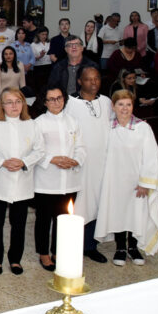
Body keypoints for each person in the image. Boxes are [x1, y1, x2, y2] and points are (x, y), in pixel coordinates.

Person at [95, 90, 158, 265]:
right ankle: (120, 248)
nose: (124, 108)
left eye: (128, 104)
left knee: (135, 214)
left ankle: (133, 247)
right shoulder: (107, 128)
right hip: (114, 181)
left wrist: (144, 182)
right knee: (118, 213)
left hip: (136, 182)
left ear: (133, 106)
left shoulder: (142, 128)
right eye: (120, 104)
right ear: (113, 106)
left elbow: (151, 157)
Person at [0, 89, 44, 276]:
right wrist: (2, 162)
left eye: (17, 101)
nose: (14, 106)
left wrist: (24, 162)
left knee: (19, 224)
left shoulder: (31, 124)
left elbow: (40, 150)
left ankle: (15, 259)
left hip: (22, 181)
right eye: (9, 102)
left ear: (23, 103)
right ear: (2, 105)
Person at [33, 86, 86, 271]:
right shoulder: (39, 123)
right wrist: (53, 160)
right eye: (52, 99)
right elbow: (35, 151)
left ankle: (58, 251)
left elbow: (81, 147)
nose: (56, 102)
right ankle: (44, 254)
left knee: (63, 219)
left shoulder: (73, 121)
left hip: (69, 179)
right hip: (46, 181)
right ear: (45, 102)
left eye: (59, 98)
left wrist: (75, 160)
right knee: (43, 219)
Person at [65, 67, 112, 262]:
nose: (93, 83)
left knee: (99, 202)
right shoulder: (71, 103)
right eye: (88, 79)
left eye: (97, 79)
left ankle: (91, 245)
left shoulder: (106, 102)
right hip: (81, 164)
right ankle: (73, 243)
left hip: (103, 163)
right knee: (81, 204)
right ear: (79, 82)